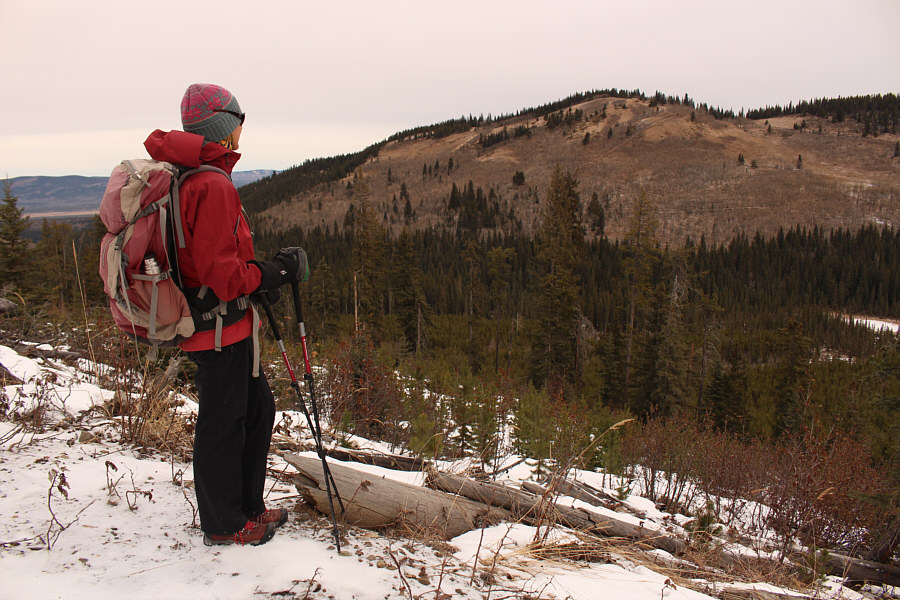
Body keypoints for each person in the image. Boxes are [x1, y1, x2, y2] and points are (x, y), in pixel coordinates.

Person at [143, 83, 305, 546]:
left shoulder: (189, 174)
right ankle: (224, 524)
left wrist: (259, 278)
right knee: (223, 424)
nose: (241, 129)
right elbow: (224, 275)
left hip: (223, 325)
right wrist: (273, 273)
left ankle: (247, 507)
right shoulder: (211, 184)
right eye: (238, 120)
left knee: (256, 411)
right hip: (218, 329)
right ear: (224, 127)